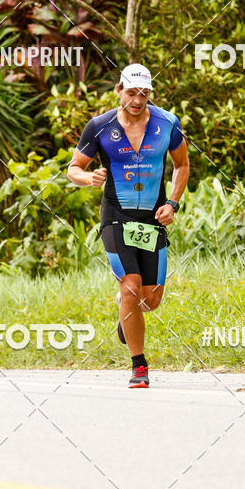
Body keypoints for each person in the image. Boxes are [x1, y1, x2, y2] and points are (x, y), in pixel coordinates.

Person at [67, 63, 190, 388]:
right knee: (130, 287)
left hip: (152, 218)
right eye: (132, 92)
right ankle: (139, 366)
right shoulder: (100, 126)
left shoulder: (167, 123)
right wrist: (88, 178)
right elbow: (73, 168)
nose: (138, 100)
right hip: (116, 217)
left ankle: (126, 314)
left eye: (144, 93)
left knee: (150, 299)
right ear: (119, 90)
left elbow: (182, 165)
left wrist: (172, 204)